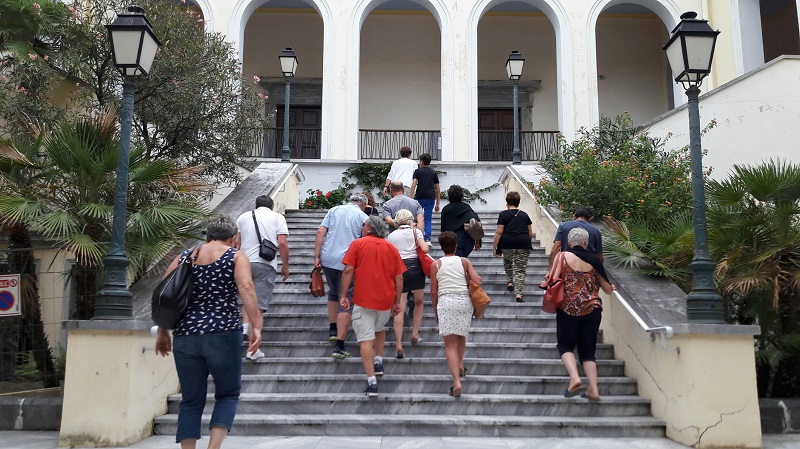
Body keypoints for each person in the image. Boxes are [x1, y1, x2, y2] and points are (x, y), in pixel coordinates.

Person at [155, 215, 263, 449]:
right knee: (228, 394)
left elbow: (165, 292)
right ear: (234, 238)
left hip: (186, 334)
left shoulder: (185, 256)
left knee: (191, 400)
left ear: (207, 235)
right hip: (223, 332)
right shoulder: (235, 256)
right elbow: (245, 287)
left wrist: (163, 330)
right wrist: (255, 325)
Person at [340, 215, 406, 397]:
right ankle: (378, 360)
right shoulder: (391, 248)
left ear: (369, 228)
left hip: (363, 299)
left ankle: (372, 381)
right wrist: (396, 301)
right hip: (385, 300)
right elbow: (399, 277)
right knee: (380, 328)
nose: (362, 227)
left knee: (365, 339)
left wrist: (344, 294)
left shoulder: (357, 244)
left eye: (363, 225)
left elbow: (348, 270)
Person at [550, 227, 613, 402]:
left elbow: (553, 280)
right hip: (592, 309)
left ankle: (575, 378)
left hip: (568, 308)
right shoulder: (594, 260)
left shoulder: (562, 256)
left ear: (569, 243)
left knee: (565, 345)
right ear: (586, 243)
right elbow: (607, 290)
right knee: (588, 351)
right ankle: (594, 389)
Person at [313, 193, 369, 357]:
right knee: (347, 298)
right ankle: (339, 345)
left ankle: (332, 329)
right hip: (347, 261)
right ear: (363, 204)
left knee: (334, 292)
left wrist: (317, 256)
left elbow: (320, 232)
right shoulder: (363, 216)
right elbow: (364, 240)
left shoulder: (334, 210)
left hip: (328, 258)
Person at [235, 195, 289, 360]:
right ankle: (253, 350)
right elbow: (282, 243)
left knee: (247, 296)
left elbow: (237, 243)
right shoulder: (277, 217)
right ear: (272, 205)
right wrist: (285, 265)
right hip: (265, 263)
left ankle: (245, 327)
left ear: (256, 205)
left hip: (242, 263)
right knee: (258, 307)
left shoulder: (243, 217)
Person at [430, 231, 481, 398]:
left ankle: (457, 382)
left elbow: (433, 292)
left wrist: (436, 310)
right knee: (461, 335)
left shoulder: (436, 265)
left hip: (446, 302)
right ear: (456, 245)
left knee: (449, 344)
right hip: (464, 302)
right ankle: (460, 363)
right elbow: (478, 281)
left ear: (441, 246)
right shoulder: (464, 261)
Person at [386, 209, 428, 358]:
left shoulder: (391, 235)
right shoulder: (416, 232)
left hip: (399, 269)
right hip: (415, 267)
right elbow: (424, 248)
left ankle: (398, 344)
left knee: (399, 306)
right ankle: (415, 333)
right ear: (411, 219)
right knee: (419, 302)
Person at [492, 191, 533, 302]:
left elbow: (499, 232)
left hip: (507, 243)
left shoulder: (503, 214)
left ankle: (510, 281)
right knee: (520, 269)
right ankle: (519, 294)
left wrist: (494, 246)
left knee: (508, 261)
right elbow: (530, 233)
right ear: (518, 202)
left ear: (507, 202)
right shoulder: (525, 215)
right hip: (523, 244)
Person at [440, 184, 481, 257]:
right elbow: (476, 223)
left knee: (457, 262)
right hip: (468, 239)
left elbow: (443, 228)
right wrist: (478, 241)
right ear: (461, 195)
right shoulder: (466, 207)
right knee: (462, 260)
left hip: (452, 239)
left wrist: (443, 242)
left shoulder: (446, 209)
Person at [410, 152, 440, 243]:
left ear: (422, 162)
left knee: (417, 217)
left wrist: (410, 198)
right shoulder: (433, 172)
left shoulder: (417, 171)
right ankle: (427, 238)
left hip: (419, 197)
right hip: (430, 197)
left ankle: (418, 236)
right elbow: (438, 189)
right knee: (428, 218)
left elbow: (414, 184)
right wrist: (438, 203)